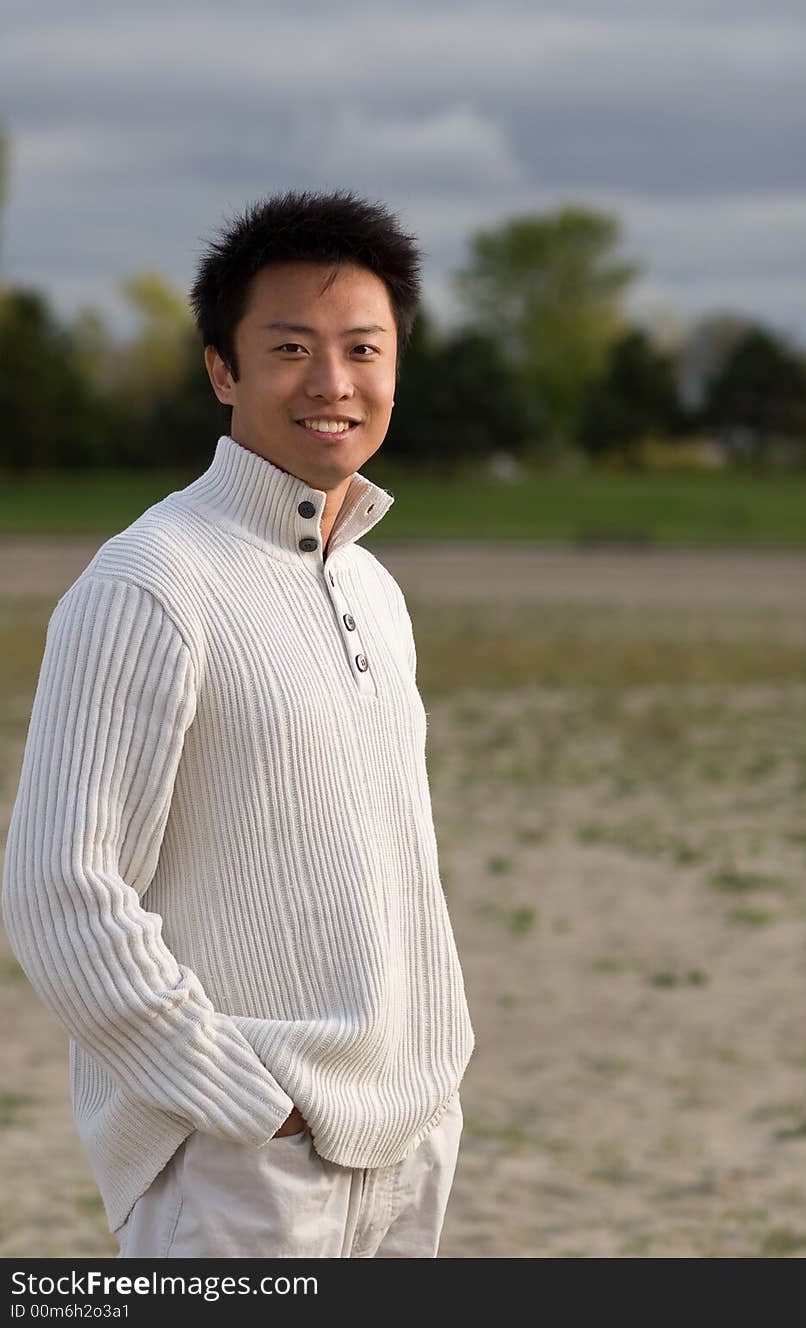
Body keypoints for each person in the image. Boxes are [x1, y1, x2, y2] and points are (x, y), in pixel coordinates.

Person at [1, 189, 475, 1259]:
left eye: (363, 347)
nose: (333, 383)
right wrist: (245, 1098)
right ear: (223, 368)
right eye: (291, 348)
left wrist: (431, 1075)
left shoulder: (374, 587)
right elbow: (59, 888)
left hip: (405, 1150)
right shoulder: (150, 580)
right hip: (240, 1169)